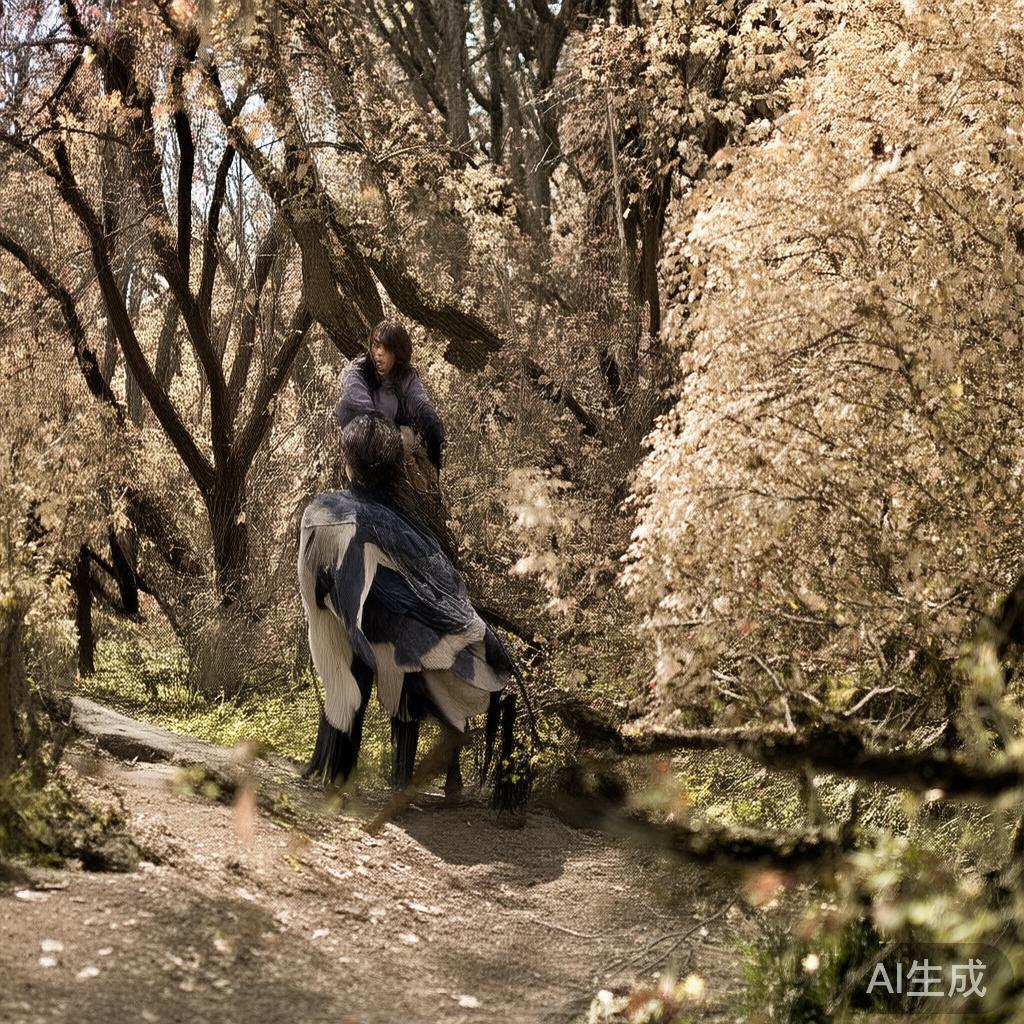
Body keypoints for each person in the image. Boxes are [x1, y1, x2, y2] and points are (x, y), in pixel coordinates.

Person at [335, 320, 445, 496]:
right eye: (375, 346)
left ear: (397, 354)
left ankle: (421, 493)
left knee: (410, 439)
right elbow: (364, 415)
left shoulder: (405, 376)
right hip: (365, 449)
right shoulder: (357, 372)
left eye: (385, 348)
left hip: (396, 448)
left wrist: (431, 425)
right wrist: (392, 438)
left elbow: (419, 401)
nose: (378, 354)